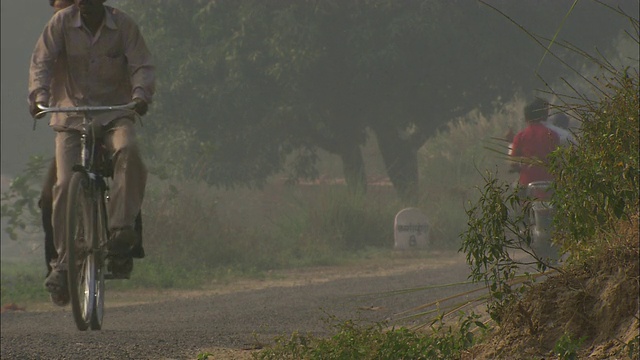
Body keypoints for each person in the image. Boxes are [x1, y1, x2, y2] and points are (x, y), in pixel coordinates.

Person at [28, 0, 155, 305]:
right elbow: (41, 63)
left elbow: (142, 65)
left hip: (114, 113)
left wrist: (141, 95)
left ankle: (121, 232)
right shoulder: (59, 24)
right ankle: (62, 263)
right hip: (71, 117)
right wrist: (38, 97)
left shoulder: (123, 25)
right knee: (61, 186)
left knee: (128, 151)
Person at [509, 98, 560, 188]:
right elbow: (557, 160)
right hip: (549, 183)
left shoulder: (520, 136)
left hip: (527, 183)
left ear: (526, 118)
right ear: (541, 116)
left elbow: (513, 162)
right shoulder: (553, 135)